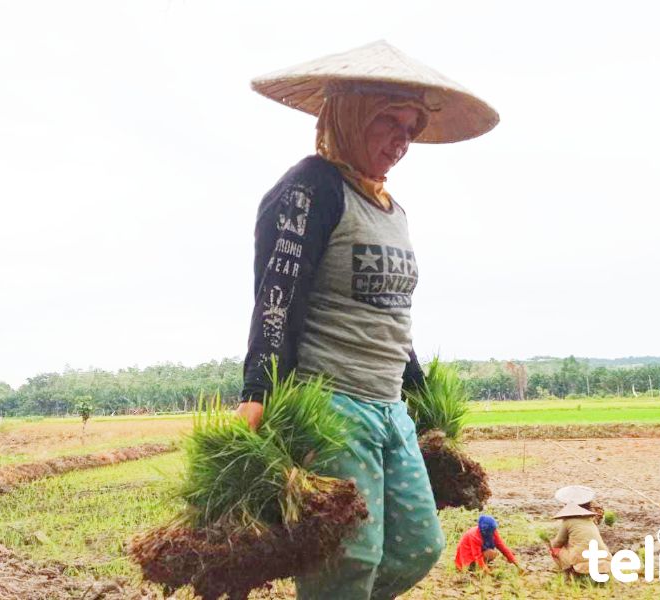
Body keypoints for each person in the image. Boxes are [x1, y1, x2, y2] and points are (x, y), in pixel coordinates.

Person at [236, 41, 498, 600]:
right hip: (331, 401)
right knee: (350, 554)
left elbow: (389, 313)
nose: (401, 142)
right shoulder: (309, 189)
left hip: (388, 405)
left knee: (417, 547)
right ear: (349, 117)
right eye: (388, 122)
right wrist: (257, 391)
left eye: (410, 129)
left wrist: (419, 390)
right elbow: (276, 297)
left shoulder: (391, 209)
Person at [548, 502, 611, 578]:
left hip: (582, 562)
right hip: (606, 561)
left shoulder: (567, 522)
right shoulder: (590, 521)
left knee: (555, 549)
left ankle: (569, 573)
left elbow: (557, 543)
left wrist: (549, 542)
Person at [455, 515, 524, 575]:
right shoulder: (474, 535)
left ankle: (481, 568)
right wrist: (488, 573)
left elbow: (502, 547)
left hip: (478, 555)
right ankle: (475, 568)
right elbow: (477, 556)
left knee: (492, 553)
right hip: (466, 559)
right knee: (489, 554)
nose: (491, 532)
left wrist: (517, 565)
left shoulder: (493, 531)